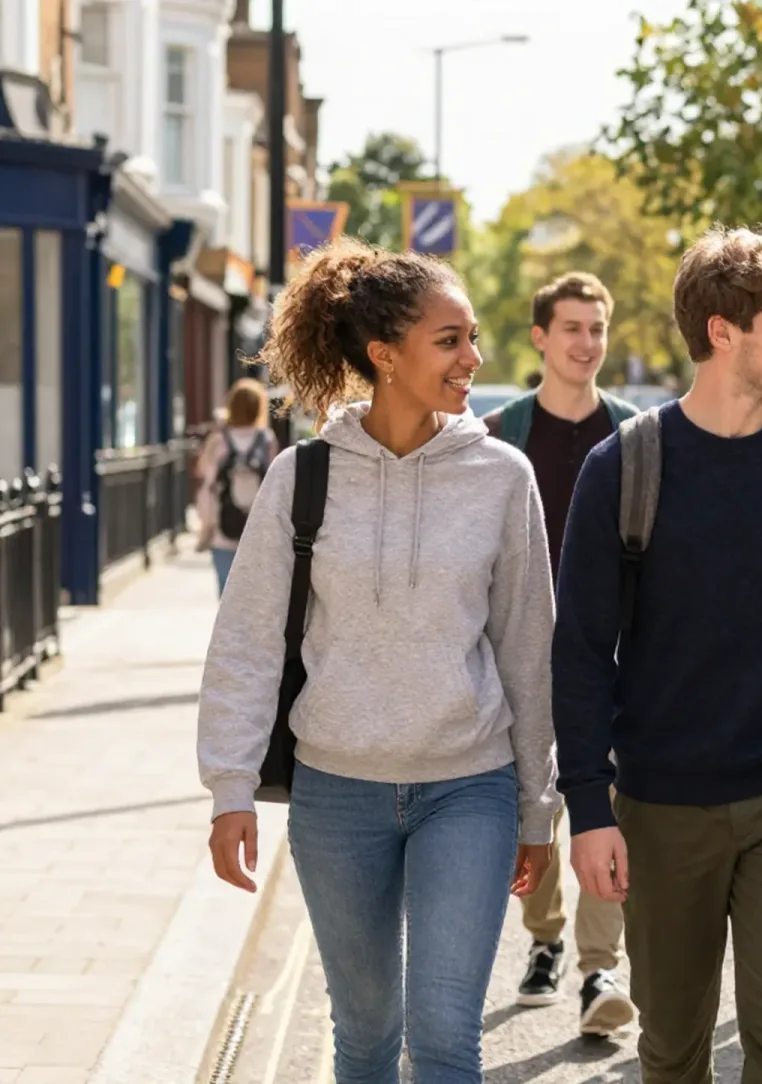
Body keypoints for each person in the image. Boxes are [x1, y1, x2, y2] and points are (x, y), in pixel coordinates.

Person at [196, 238, 559, 1083]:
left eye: (473, 338)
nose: (474, 358)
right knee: (362, 1036)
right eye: (451, 340)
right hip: (336, 793)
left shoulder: (503, 478)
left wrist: (537, 806)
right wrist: (229, 787)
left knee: (443, 1036)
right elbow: (246, 640)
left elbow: (526, 651)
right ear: (384, 354)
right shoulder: (303, 477)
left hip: (470, 787)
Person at [552, 226, 762, 1083]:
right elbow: (583, 651)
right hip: (662, 810)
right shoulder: (624, 467)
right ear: (722, 331)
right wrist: (590, 806)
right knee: (672, 1052)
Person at [479, 271, 639, 1034]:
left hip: (614, 653)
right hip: (522, 649)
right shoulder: (502, 433)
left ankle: (598, 964)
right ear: (540, 336)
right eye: (571, 328)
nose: (586, 343)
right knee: (532, 795)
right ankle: (543, 940)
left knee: (604, 799)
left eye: (597, 328)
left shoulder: (636, 433)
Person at [194, 378, 279, 596]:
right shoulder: (266, 439)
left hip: (223, 528)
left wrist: (205, 526)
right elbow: (274, 481)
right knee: (253, 594)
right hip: (256, 528)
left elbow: (205, 478)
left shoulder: (218, 440)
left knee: (225, 594)